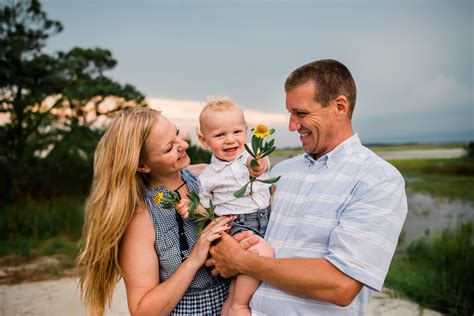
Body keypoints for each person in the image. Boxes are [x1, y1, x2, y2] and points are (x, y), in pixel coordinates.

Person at [205, 59, 408, 315]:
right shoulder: (281, 172)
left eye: (301, 114)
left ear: (339, 107)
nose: (292, 126)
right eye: (290, 114)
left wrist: (243, 262)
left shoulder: (378, 179)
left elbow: (340, 286)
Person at [77, 108, 253, 315]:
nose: (184, 145)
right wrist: (194, 259)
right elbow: (142, 311)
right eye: (170, 147)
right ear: (142, 165)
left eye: (177, 133)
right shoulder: (142, 218)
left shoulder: (206, 176)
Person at [176, 96, 274, 316]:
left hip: (264, 218)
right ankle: (239, 306)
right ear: (203, 139)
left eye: (236, 132)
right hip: (236, 225)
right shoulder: (209, 176)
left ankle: (230, 306)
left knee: (240, 279)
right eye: (220, 135)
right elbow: (206, 208)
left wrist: (257, 165)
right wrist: (190, 208)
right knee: (260, 254)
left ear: (246, 131)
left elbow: (261, 164)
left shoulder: (251, 154)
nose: (230, 140)